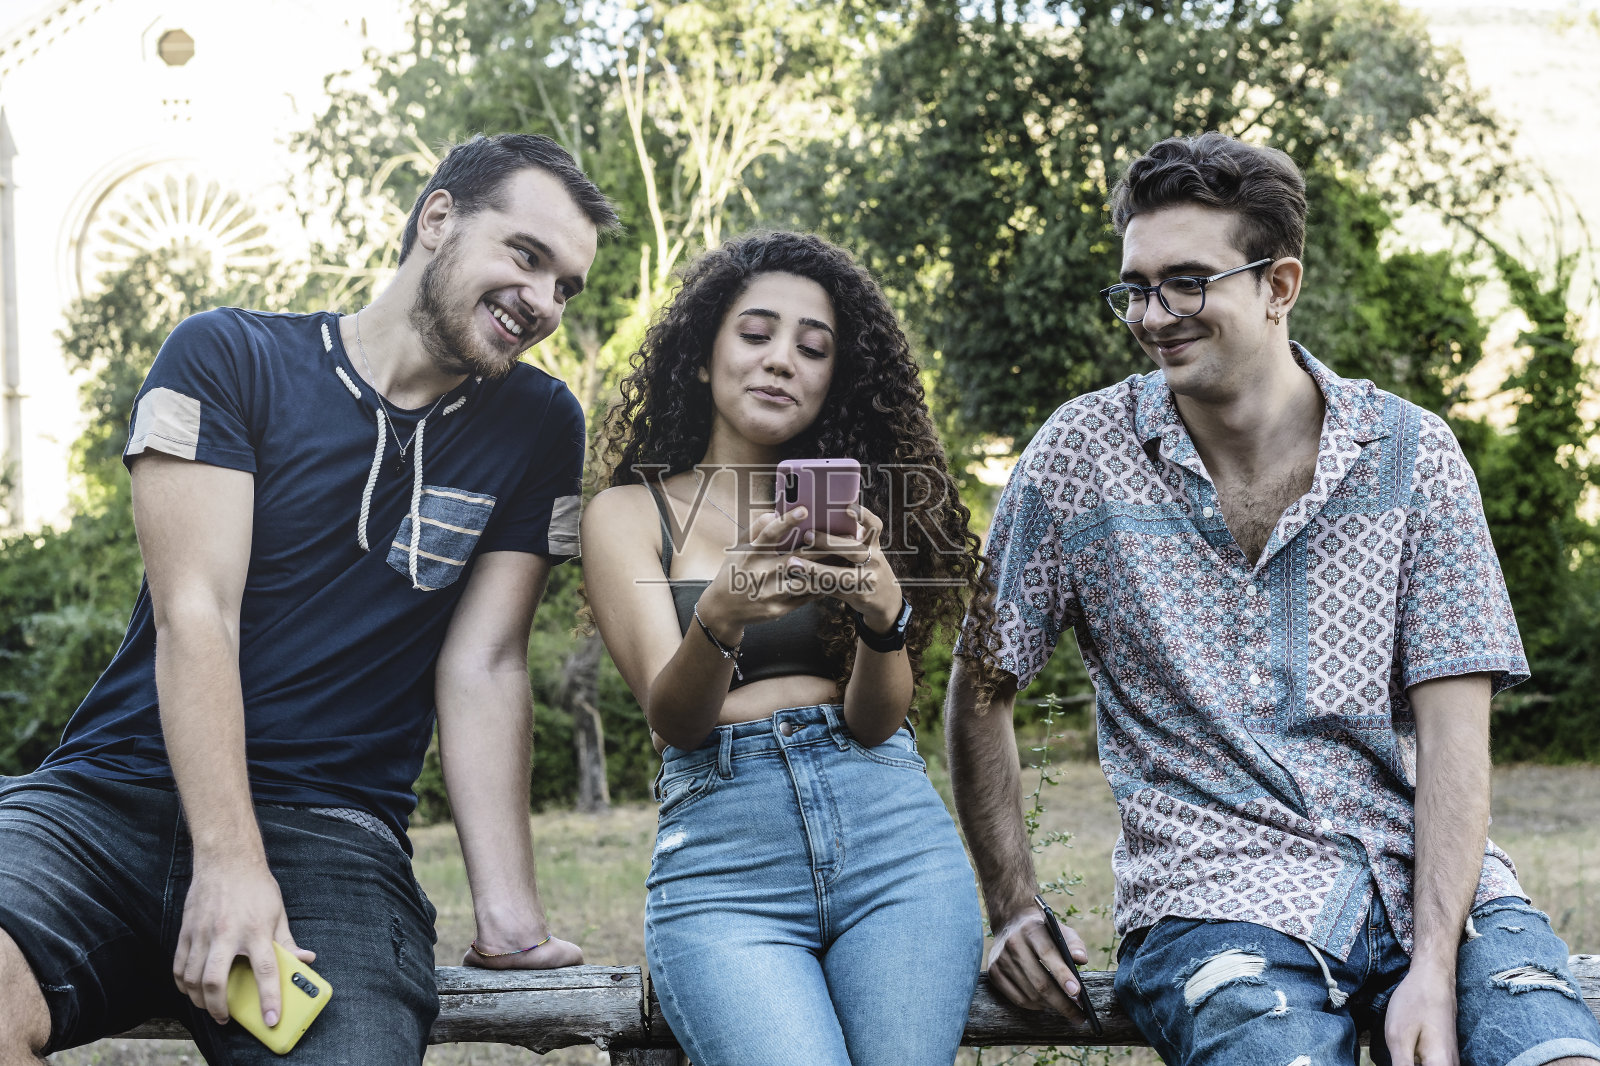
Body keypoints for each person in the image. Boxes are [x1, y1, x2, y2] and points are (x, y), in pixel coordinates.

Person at [946, 132, 1600, 1066]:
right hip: (1213, 899)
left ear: (1278, 285)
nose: (1153, 316)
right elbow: (981, 681)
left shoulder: (1414, 457)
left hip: (1430, 881)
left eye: (1186, 283)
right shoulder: (1078, 457)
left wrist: (1432, 965)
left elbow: (1456, 735)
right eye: (1135, 288)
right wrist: (1011, 905)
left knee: (1556, 1056)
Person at [0, 133, 617, 1065]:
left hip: (332, 836)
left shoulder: (537, 424)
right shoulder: (228, 355)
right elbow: (196, 614)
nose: (543, 301)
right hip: (105, 800)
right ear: (437, 218)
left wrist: (510, 919)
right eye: (526, 256)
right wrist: (229, 863)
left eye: (565, 286)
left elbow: (485, 665)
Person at [582, 230, 988, 1066]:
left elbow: (877, 724)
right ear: (703, 357)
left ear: (835, 378)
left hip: (894, 844)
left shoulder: (858, 509)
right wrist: (720, 616)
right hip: (725, 864)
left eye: (813, 348)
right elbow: (674, 724)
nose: (781, 361)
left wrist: (884, 616)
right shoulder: (629, 514)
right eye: (756, 334)